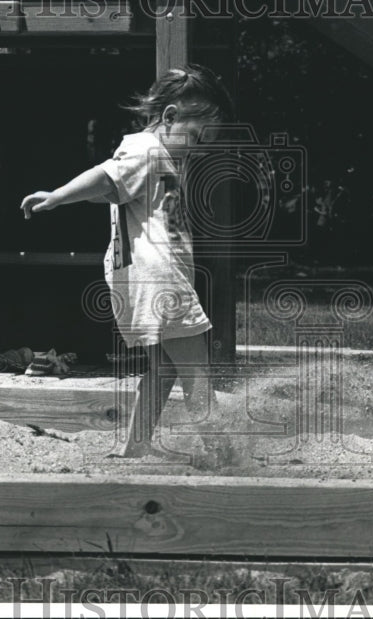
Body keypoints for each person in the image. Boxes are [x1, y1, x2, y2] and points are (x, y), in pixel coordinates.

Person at [21, 64, 234, 457]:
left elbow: (114, 191)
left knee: (165, 369)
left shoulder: (162, 155)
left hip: (148, 277)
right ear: (170, 117)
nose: (199, 147)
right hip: (161, 280)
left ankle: (135, 447)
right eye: (198, 136)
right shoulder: (145, 149)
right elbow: (106, 177)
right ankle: (222, 452)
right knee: (196, 371)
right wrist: (58, 196)